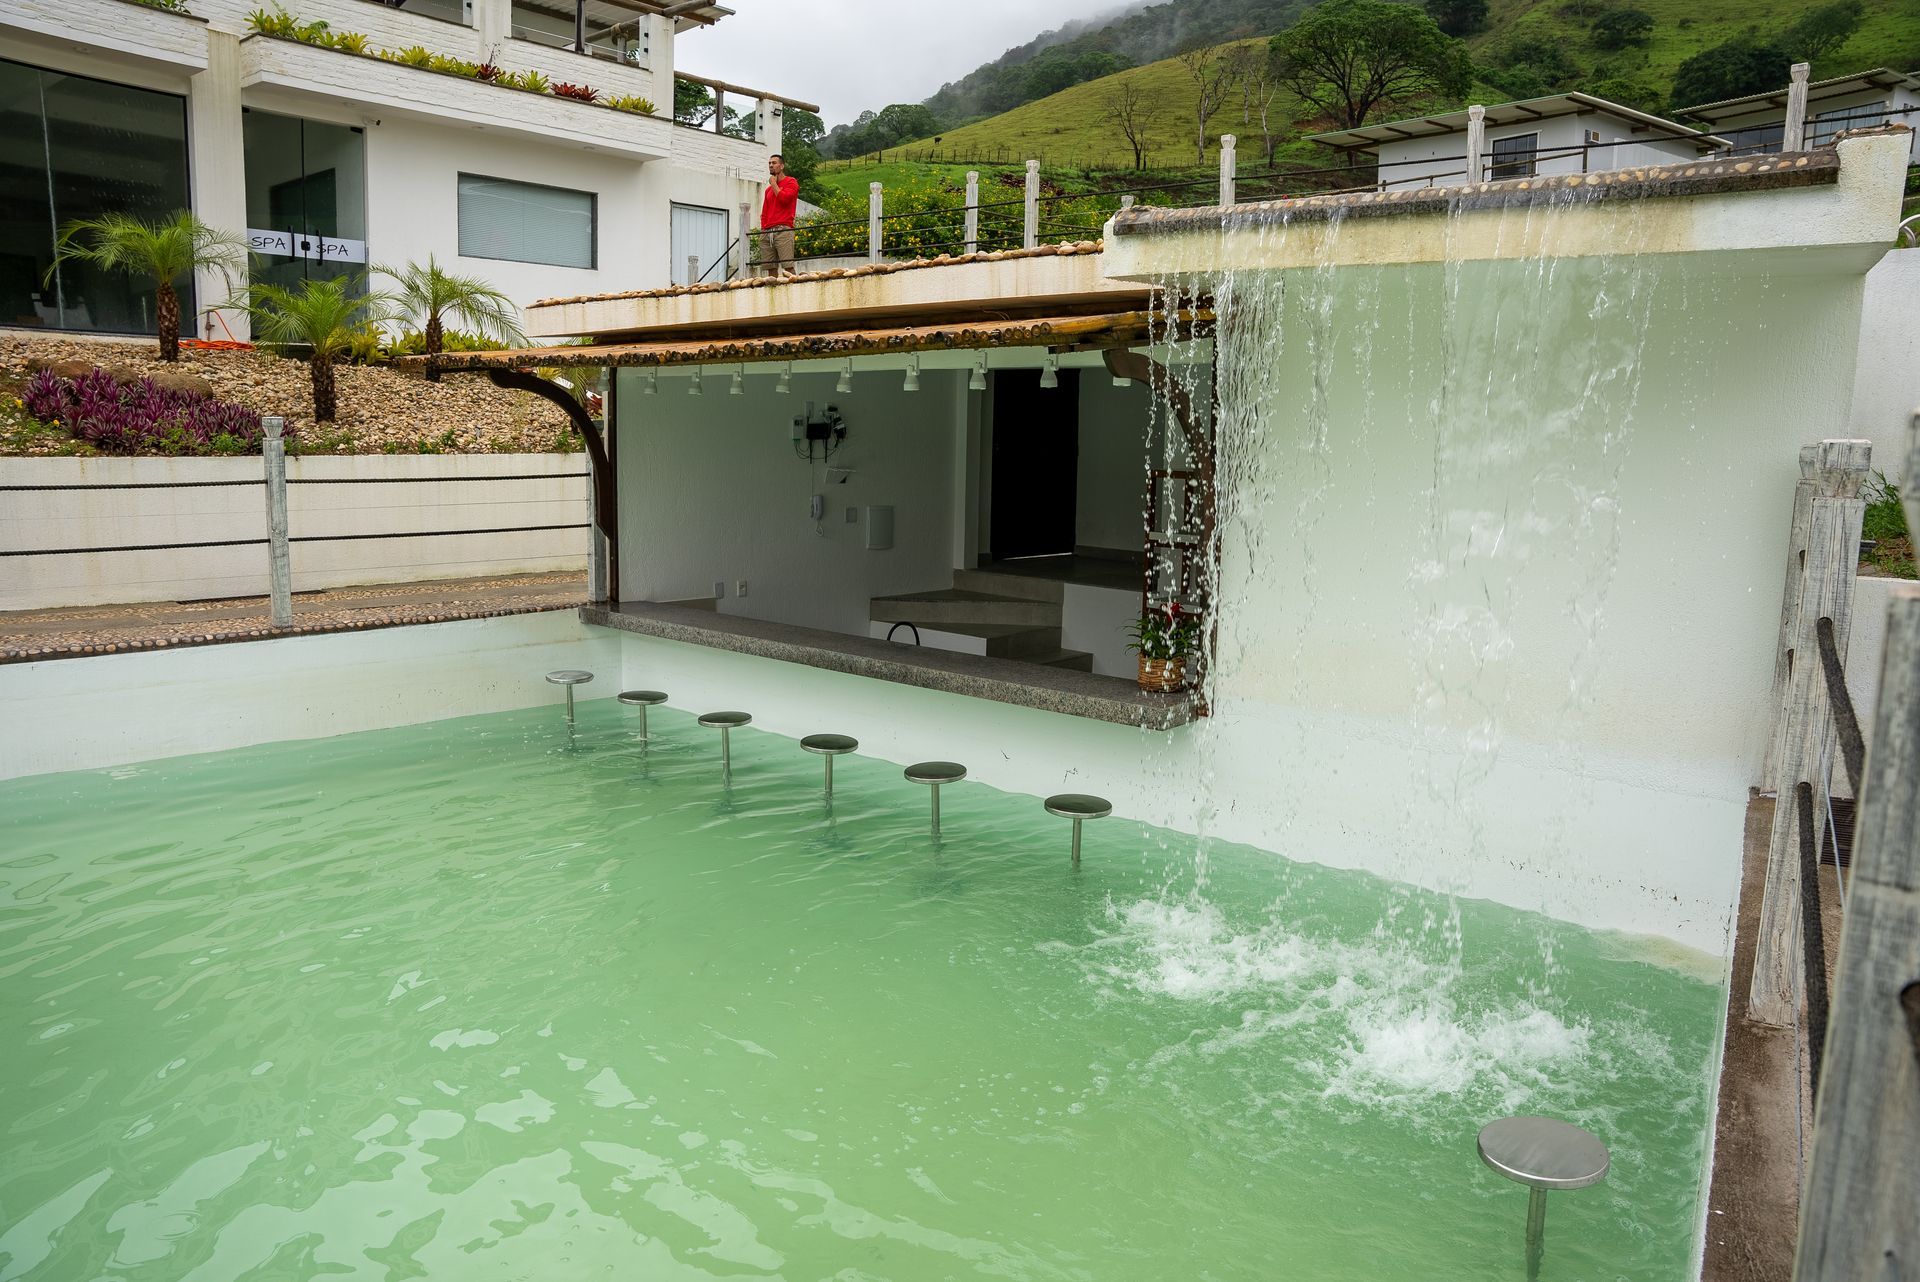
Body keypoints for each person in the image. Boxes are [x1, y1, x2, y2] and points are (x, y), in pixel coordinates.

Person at [759, 154, 799, 278]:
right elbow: (764, 212)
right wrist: (763, 229)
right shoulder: (768, 190)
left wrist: (774, 185)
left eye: (774, 163)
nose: (771, 165)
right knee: (770, 269)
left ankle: (794, 289)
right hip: (767, 232)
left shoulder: (791, 182)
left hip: (783, 230)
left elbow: (785, 200)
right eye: (769, 163)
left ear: (781, 166)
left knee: (788, 266)